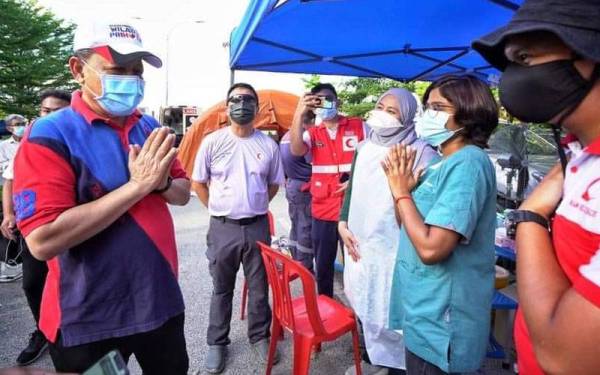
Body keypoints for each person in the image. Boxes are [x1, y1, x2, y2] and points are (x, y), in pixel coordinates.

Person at [12, 20, 191, 374]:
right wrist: (137, 186)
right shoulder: (49, 135)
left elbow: (184, 192)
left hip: (161, 303)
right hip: (89, 320)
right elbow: (42, 241)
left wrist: (160, 184)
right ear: (79, 69)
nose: (130, 79)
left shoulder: (150, 128)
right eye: (116, 69)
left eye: (136, 71)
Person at [473, 1, 600, 373]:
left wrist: (529, 215)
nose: (510, 79)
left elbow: (565, 356)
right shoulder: (575, 157)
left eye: (524, 57)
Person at [383, 75, 498, 375]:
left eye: (438, 107)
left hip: (443, 323)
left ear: (468, 112)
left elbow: (432, 249)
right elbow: (407, 226)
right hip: (422, 309)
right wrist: (403, 193)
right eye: (427, 107)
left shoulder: (469, 162)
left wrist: (400, 192)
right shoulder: (438, 163)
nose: (427, 116)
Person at [339, 88, 439, 375]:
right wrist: (342, 223)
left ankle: (398, 368)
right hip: (359, 243)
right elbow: (353, 189)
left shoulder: (421, 153)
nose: (382, 113)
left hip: (395, 247)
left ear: (407, 118)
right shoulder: (364, 146)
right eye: (381, 106)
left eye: (392, 111)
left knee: (392, 312)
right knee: (365, 302)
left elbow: (423, 209)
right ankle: (375, 360)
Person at [192, 82, 285, 374]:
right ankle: (217, 343)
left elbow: (272, 184)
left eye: (248, 100)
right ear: (226, 106)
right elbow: (198, 182)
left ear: (257, 108)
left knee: (259, 287)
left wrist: (254, 205)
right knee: (222, 288)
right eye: (236, 99)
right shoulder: (213, 142)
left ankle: (259, 336)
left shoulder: (268, 145)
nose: (241, 104)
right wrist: (218, 210)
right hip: (223, 228)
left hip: (257, 226)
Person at [1, 89, 70, 366]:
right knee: (32, 284)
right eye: (45, 111)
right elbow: (10, 181)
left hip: (72, 229)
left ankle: (70, 332)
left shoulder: (80, 141)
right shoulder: (30, 142)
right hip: (36, 230)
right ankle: (44, 331)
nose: (50, 116)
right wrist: (8, 214)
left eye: (58, 111)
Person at [289, 83, 366, 297]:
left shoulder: (359, 126)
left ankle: (360, 318)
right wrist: (299, 111)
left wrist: (357, 180)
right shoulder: (312, 133)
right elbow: (296, 149)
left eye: (328, 98)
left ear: (338, 101)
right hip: (323, 210)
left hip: (353, 209)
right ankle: (325, 307)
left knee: (358, 266)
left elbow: (375, 158)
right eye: (318, 100)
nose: (325, 103)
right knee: (323, 268)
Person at [279, 110, 314, 272]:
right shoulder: (303, 138)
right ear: (308, 121)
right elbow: (313, 162)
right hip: (304, 187)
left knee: (295, 223)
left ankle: (294, 257)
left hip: (291, 184)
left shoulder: (286, 137)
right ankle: (305, 265)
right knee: (306, 227)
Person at [0, 114, 27, 283]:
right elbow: (5, 171)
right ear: (9, 128)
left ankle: (21, 261)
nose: (21, 126)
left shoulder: (32, 139)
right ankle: (10, 263)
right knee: (10, 226)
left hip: (27, 190)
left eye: (23, 123)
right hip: (11, 190)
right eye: (17, 124)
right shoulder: (3, 146)